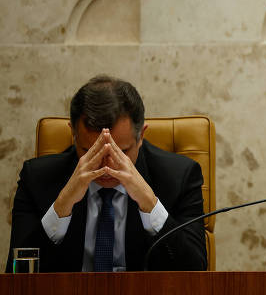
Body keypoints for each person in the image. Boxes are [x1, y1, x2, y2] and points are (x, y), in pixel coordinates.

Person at [6, 75, 207, 272]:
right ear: (73, 134)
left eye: (121, 152)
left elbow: (195, 272)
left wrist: (149, 203)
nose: (106, 166)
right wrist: (62, 205)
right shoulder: (37, 178)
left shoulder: (179, 176)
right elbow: (18, 275)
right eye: (90, 152)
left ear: (141, 136)